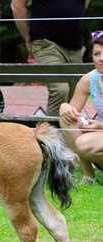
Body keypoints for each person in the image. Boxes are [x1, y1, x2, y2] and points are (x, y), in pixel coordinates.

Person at [11, 0, 90, 117]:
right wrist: (28, 39)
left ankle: (66, 133)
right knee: (60, 90)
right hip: (46, 43)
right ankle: (47, 133)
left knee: (75, 98)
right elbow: (16, 6)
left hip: (76, 47)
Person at [59, 31, 103, 184]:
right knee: (66, 118)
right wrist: (64, 107)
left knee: (84, 144)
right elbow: (72, 114)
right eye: (97, 54)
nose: (101, 59)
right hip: (98, 141)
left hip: (97, 138)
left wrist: (100, 127)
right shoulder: (89, 79)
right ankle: (89, 176)